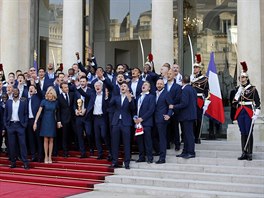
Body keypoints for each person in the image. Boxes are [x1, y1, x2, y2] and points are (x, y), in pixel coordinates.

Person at [232, 62, 261, 161]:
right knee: (243, 132)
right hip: (241, 112)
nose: (241, 79)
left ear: (247, 78)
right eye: (240, 77)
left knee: (249, 132)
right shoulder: (238, 89)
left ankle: (250, 153)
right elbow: (234, 102)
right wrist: (238, 94)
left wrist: (256, 112)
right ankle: (243, 152)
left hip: (248, 111)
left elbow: (258, 102)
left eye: (243, 77)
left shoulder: (253, 89)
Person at [170, 75, 197, 159]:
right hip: (190, 115)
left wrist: (174, 106)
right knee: (186, 134)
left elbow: (184, 103)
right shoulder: (192, 89)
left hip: (186, 115)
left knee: (188, 134)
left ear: (182, 81)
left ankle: (191, 152)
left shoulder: (185, 89)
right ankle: (185, 151)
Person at [109, 82, 135, 169]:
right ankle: (114, 161)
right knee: (115, 143)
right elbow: (110, 104)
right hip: (116, 122)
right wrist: (106, 96)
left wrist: (130, 99)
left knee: (126, 143)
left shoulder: (130, 98)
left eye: (124, 86)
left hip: (126, 123)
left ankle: (127, 162)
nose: (122, 87)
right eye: (121, 86)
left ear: (128, 88)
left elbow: (133, 109)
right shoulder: (116, 97)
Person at [4, 88, 29, 169]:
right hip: (11, 125)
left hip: (20, 125)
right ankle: (13, 162)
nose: (15, 93)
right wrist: (7, 126)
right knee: (12, 145)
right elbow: (5, 115)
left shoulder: (23, 102)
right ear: (12, 93)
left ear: (19, 92)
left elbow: (26, 113)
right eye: (14, 91)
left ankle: (25, 162)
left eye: (16, 91)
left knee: (23, 144)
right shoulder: (8, 102)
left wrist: (24, 124)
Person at [33, 86, 58, 164]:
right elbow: (39, 112)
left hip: (52, 122)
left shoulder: (56, 102)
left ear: (53, 94)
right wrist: (35, 122)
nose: (50, 94)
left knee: (51, 140)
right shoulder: (43, 101)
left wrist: (58, 122)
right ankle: (46, 156)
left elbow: (57, 113)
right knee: (45, 139)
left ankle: (50, 157)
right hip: (45, 121)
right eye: (48, 93)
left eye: (51, 93)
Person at [134, 81, 155, 164]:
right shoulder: (138, 97)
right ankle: (141, 157)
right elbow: (136, 109)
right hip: (138, 123)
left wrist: (142, 118)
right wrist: (135, 118)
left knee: (147, 140)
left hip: (146, 122)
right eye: (143, 84)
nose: (144, 86)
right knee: (140, 141)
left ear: (149, 88)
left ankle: (150, 157)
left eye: (146, 85)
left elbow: (151, 110)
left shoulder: (151, 97)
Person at [191, 54, 209, 143]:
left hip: (199, 100)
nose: (195, 69)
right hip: (192, 100)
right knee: (192, 119)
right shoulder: (191, 78)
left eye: (196, 68)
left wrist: (206, 103)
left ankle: (197, 137)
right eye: (194, 68)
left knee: (198, 119)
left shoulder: (204, 79)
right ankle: (192, 135)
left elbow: (207, 92)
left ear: (200, 69)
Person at [154, 79, 173, 164]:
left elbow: (170, 105)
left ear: (163, 85)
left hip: (162, 119)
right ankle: (158, 150)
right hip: (153, 119)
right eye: (158, 84)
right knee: (153, 136)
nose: (159, 85)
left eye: (161, 84)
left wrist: (169, 115)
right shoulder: (153, 93)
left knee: (162, 138)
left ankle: (162, 158)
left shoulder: (167, 93)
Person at [56, 82, 75, 158]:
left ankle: (74, 148)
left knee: (73, 133)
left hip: (73, 118)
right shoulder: (59, 97)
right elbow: (58, 110)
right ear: (61, 88)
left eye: (67, 87)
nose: (67, 88)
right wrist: (59, 120)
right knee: (64, 136)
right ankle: (65, 152)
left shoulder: (72, 94)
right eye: (65, 87)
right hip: (64, 119)